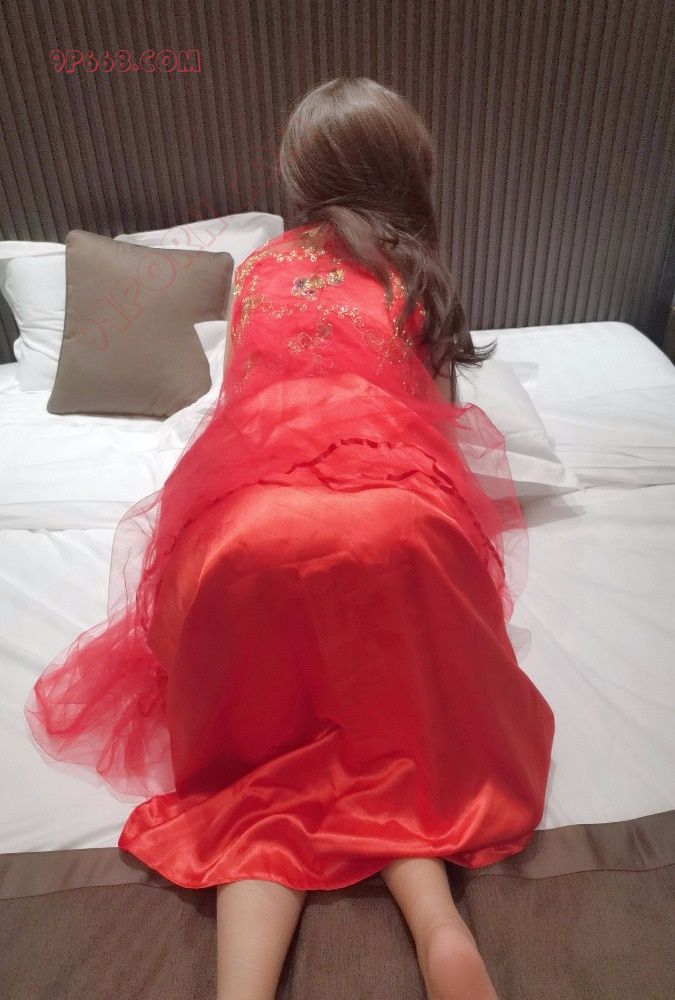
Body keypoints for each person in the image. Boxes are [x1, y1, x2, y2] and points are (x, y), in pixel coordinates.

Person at [24, 77, 555, 1000]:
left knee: (261, 764)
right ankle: (438, 924)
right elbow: (436, 428)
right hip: (397, 530)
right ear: (410, 170)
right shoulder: (417, 276)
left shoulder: (259, 271)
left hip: (251, 537)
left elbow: (241, 416)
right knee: (400, 729)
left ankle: (241, 987)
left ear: (300, 175)